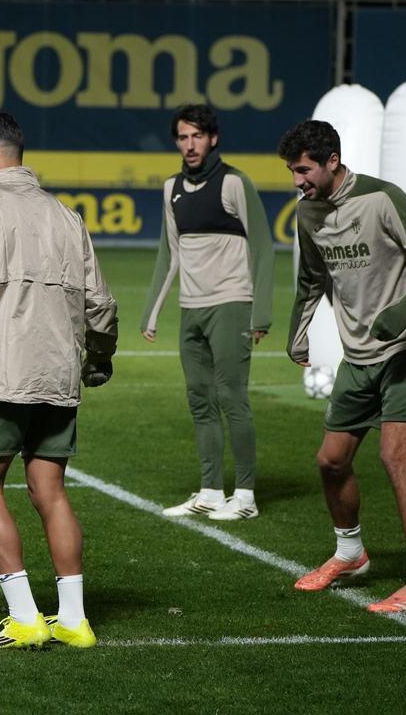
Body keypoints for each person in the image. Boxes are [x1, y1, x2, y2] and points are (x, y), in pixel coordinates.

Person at [0, 112, 118, 650]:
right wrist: (97, 360)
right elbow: (100, 305)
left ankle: (25, 617)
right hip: (59, 375)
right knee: (51, 491)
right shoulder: (68, 217)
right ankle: (74, 621)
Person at [281, 120, 406, 613]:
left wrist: (401, 313)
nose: (298, 181)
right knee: (330, 461)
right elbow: (311, 279)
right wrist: (297, 334)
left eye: (304, 170)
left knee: (395, 457)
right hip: (359, 356)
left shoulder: (383, 199)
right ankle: (351, 554)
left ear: (332, 160)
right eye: (293, 171)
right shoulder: (308, 212)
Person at [141, 104, 274, 521]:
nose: (190, 144)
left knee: (232, 398)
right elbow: (170, 253)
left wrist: (261, 313)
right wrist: (151, 313)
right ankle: (211, 491)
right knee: (200, 401)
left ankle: (246, 497)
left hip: (231, 304)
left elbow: (263, 248)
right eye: (183, 137)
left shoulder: (234, 183)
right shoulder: (171, 189)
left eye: (197, 135)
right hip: (190, 310)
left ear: (213, 138)